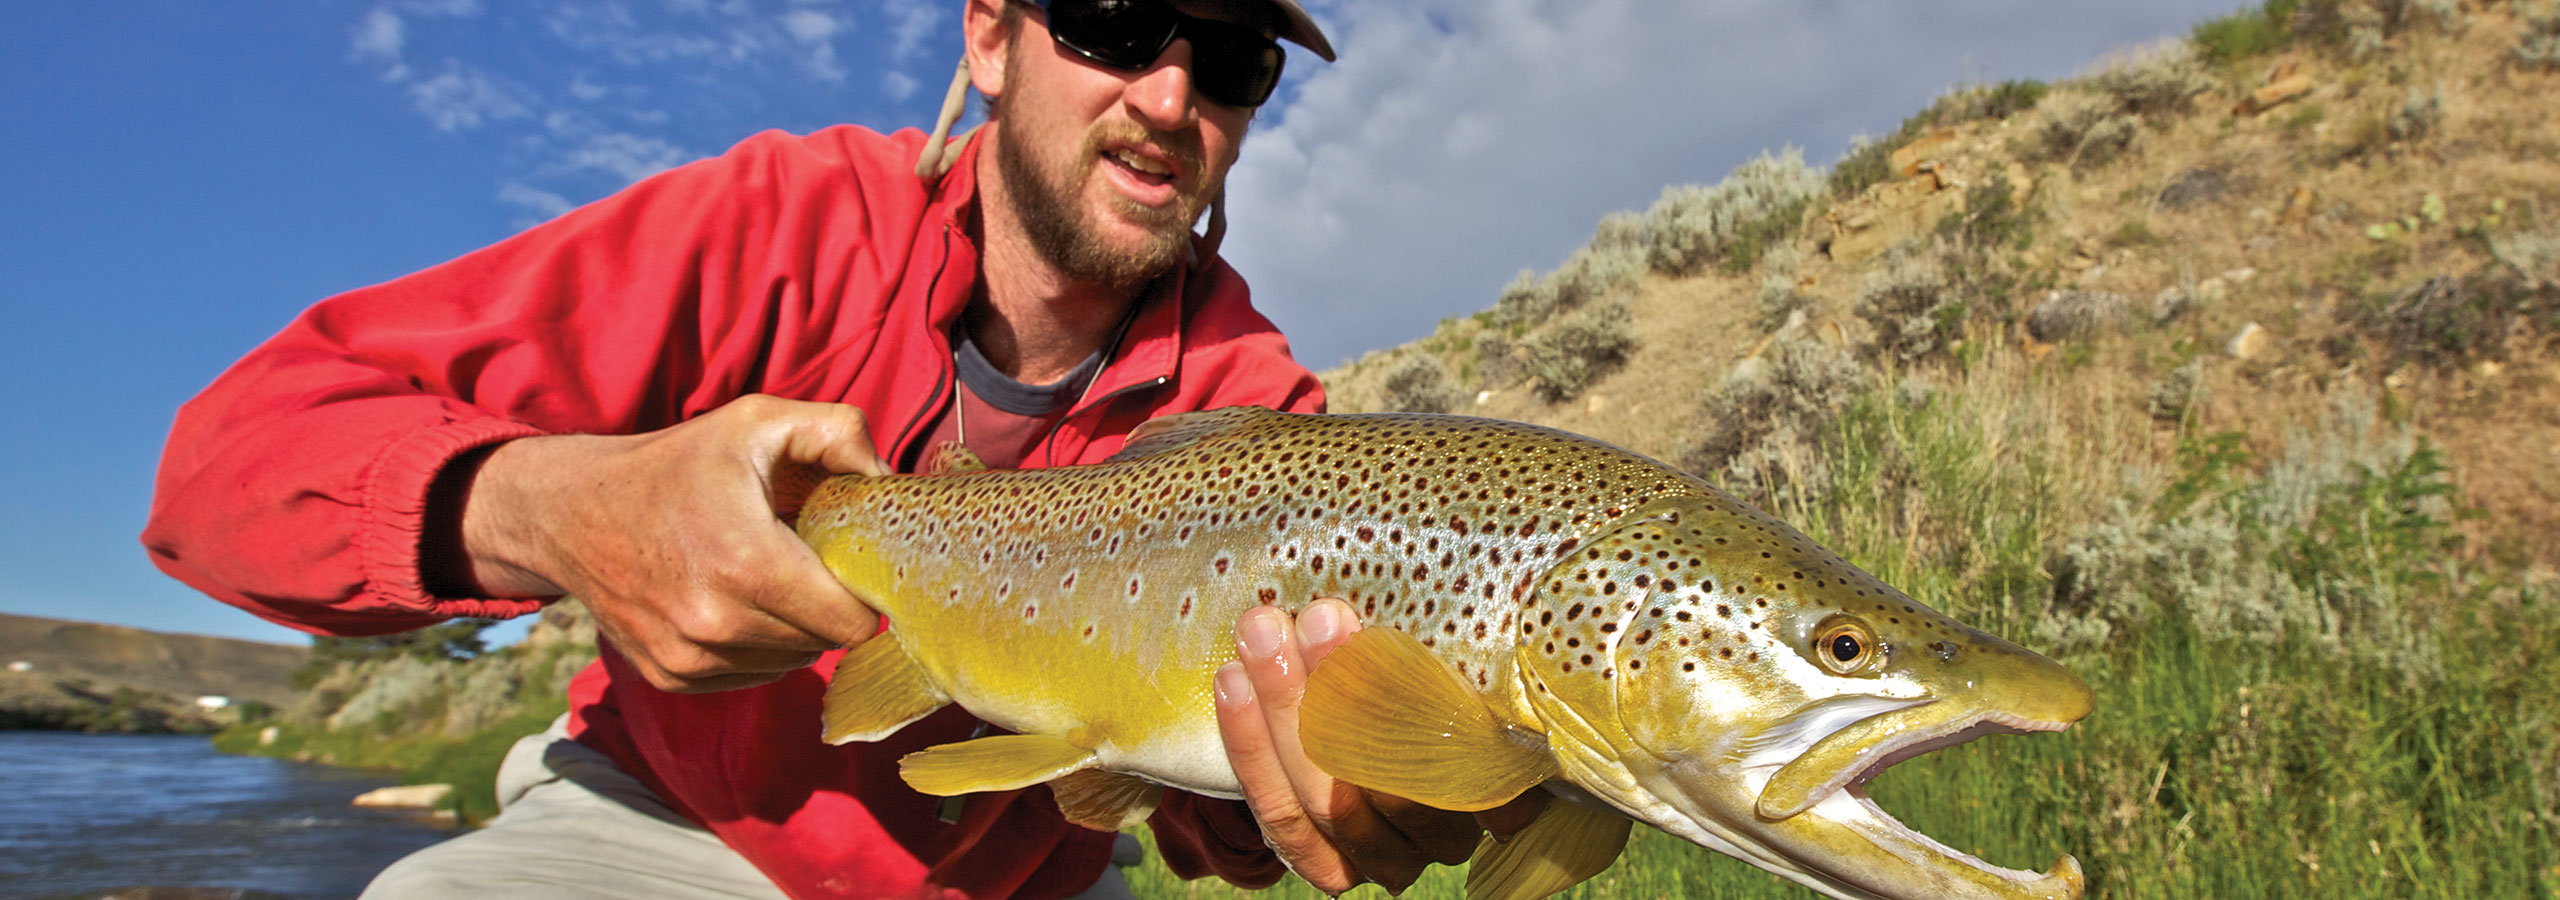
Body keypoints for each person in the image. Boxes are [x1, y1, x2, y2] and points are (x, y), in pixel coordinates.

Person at [143, 0, 1532, 898]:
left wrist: (1317, 799)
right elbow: (226, 464)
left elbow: (1205, 820)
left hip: (1026, 877)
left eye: (1229, 62)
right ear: (988, 36)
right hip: (671, 824)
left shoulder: (1266, 412)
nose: (1170, 99)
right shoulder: (773, 224)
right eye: (1114, 19)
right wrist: (558, 508)